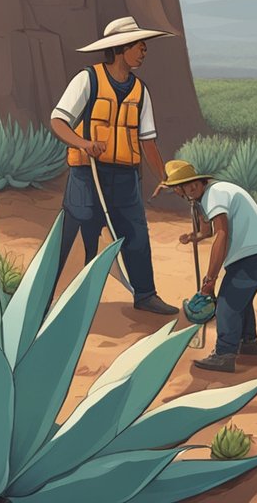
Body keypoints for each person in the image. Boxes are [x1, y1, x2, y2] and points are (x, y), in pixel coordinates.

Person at [48, 16, 178, 315]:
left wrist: (165, 176)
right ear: (121, 48)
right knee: (80, 232)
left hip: (126, 176)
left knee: (135, 232)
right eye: (139, 46)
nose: (144, 52)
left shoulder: (140, 90)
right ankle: (56, 299)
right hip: (87, 174)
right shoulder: (87, 79)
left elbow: (147, 141)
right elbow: (59, 120)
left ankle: (145, 294)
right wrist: (82, 143)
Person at [163, 159, 257, 373]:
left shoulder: (214, 195)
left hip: (252, 253)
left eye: (179, 190)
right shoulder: (211, 195)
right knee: (240, 301)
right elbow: (207, 231)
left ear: (192, 185)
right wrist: (193, 236)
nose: (181, 195)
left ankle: (224, 354)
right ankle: (248, 345)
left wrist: (210, 280)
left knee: (227, 303)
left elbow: (222, 234)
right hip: (255, 251)